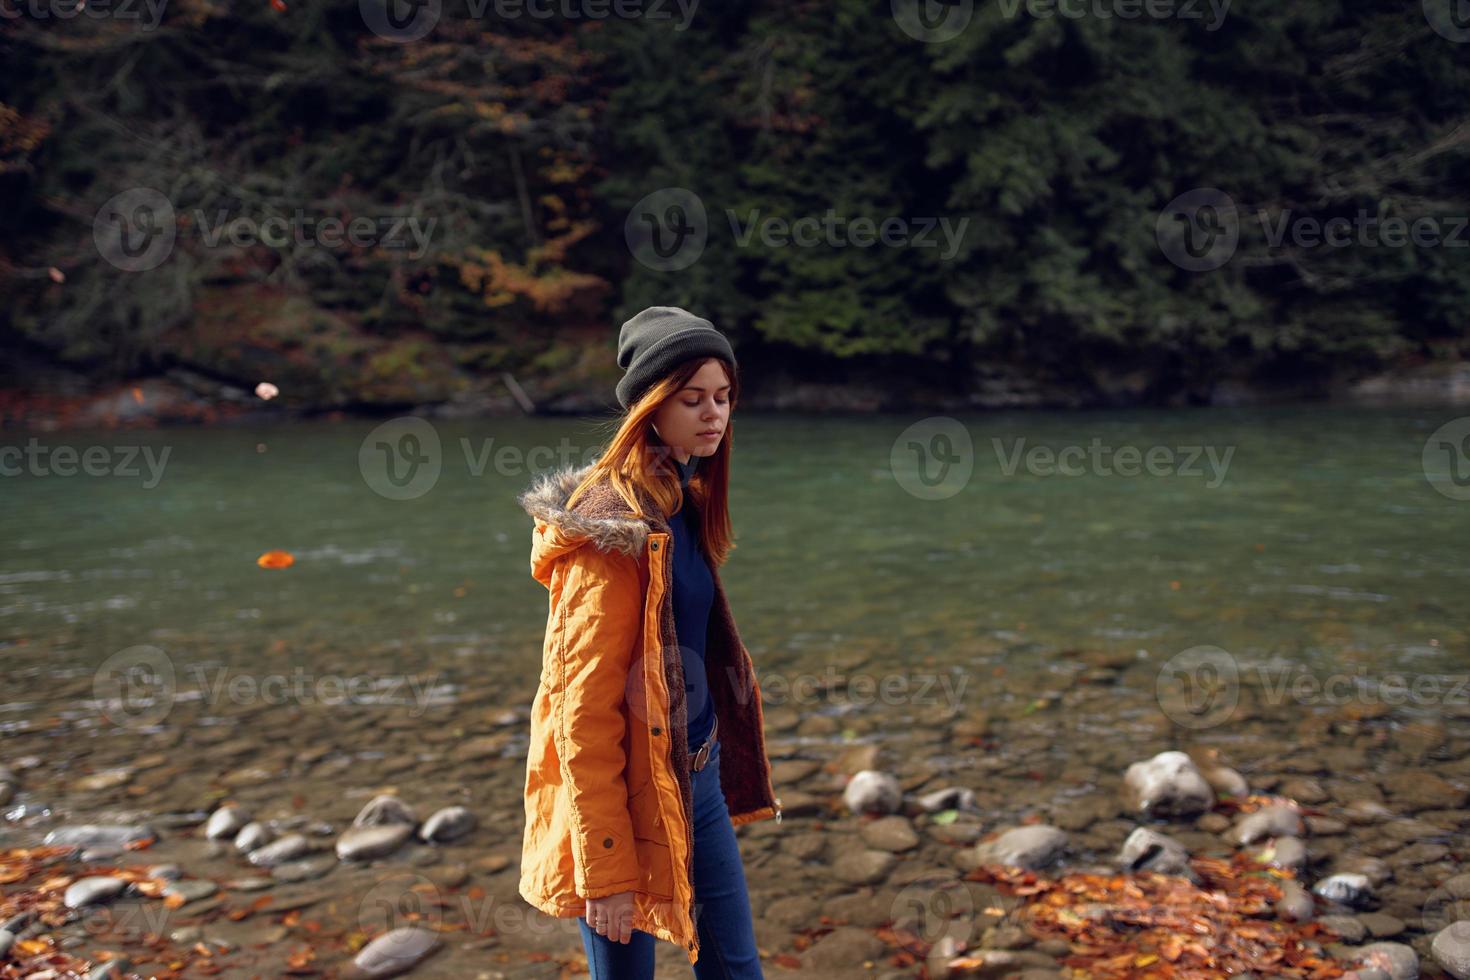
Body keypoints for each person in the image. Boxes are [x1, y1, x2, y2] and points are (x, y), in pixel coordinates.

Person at [516, 306, 782, 979]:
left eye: (723, 398)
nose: (713, 414)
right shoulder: (610, 532)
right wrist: (604, 869)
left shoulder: (681, 497)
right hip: (620, 796)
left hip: (696, 776)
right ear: (649, 405)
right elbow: (581, 713)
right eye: (692, 399)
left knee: (734, 970)